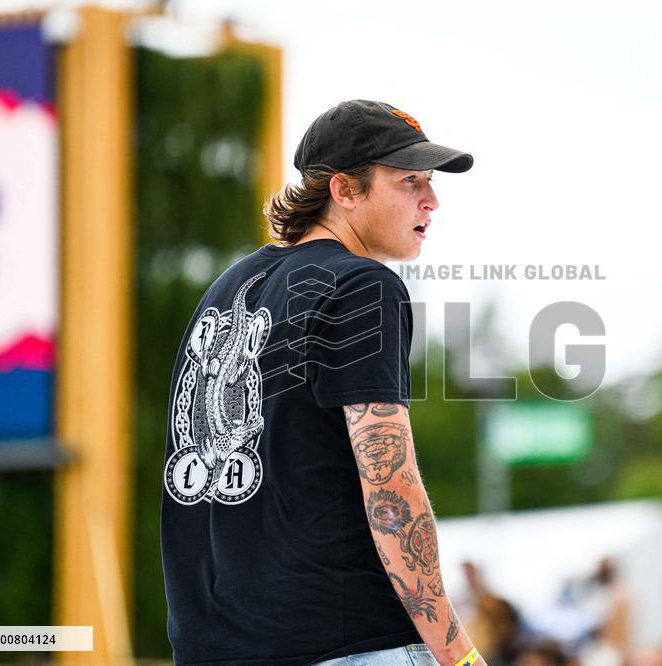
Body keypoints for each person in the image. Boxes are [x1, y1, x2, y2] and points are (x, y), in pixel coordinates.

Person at [160, 100, 484, 665]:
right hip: (348, 642)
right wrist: (457, 654)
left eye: (429, 183)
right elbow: (391, 487)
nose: (432, 200)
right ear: (344, 190)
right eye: (410, 181)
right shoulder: (362, 285)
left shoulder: (223, 293)